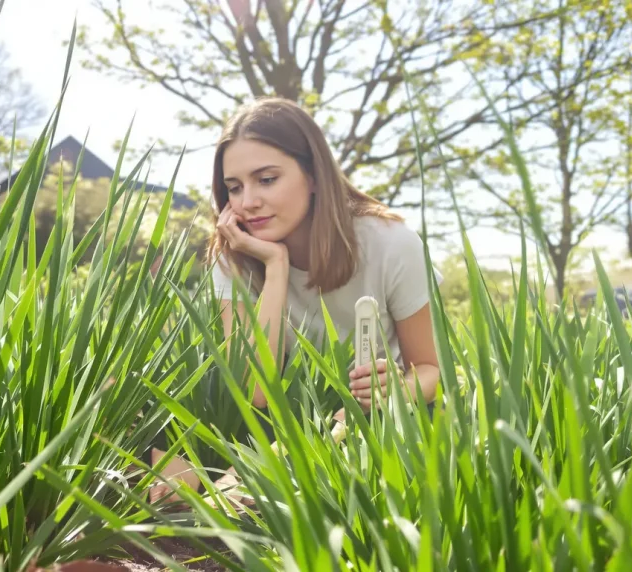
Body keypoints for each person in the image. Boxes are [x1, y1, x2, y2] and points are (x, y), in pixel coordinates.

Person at [148, 98, 442, 504]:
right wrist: (276, 266)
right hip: (283, 408)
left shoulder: (390, 244)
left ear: (314, 175)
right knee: (178, 383)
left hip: (367, 410)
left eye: (266, 179)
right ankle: (179, 498)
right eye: (234, 187)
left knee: (320, 451)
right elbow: (256, 390)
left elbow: (431, 370)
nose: (247, 201)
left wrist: (392, 393)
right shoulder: (231, 255)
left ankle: (246, 489)